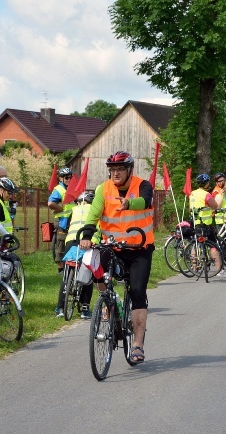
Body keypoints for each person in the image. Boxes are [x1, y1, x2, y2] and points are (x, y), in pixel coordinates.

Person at [79, 151, 154, 364]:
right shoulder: (103, 189)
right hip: (112, 247)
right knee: (95, 269)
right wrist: (86, 235)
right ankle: (108, 305)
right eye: (112, 170)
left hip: (140, 249)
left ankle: (137, 346)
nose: (115, 174)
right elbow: (94, 214)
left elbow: (146, 201)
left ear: (129, 170)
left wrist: (129, 204)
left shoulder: (142, 185)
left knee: (138, 292)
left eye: (119, 169)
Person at [56, 192, 101, 319]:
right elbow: (100, 228)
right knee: (87, 274)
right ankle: (85, 308)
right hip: (88, 241)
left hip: (71, 241)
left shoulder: (73, 209)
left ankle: (60, 308)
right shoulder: (95, 210)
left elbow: (62, 226)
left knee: (66, 275)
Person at [48, 167, 74, 304]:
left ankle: (70, 268)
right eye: (66, 177)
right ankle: (61, 270)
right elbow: (50, 203)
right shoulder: (59, 189)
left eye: (70, 177)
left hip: (73, 221)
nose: (69, 179)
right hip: (63, 221)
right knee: (60, 245)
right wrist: (61, 208)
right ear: (61, 178)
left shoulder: (73, 188)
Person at [189, 173, 221, 266]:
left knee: (196, 243)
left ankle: (194, 265)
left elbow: (190, 208)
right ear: (206, 183)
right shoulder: (206, 194)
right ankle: (219, 268)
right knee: (213, 245)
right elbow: (215, 206)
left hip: (196, 222)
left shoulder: (192, 194)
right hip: (206, 223)